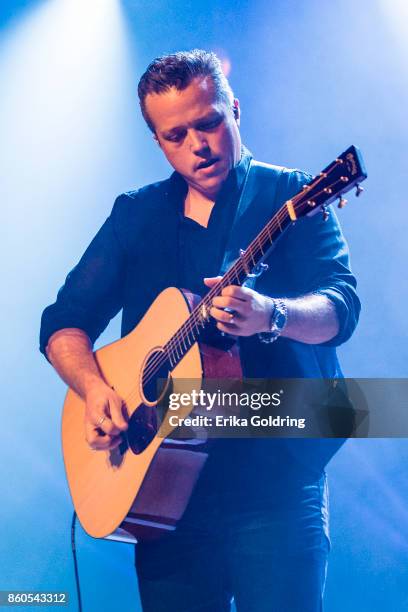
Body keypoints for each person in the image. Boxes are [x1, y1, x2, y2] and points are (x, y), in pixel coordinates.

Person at [40, 49, 360, 611]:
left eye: (209, 122)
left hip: (276, 489)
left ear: (234, 110)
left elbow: (341, 309)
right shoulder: (135, 216)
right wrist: (95, 391)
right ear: (158, 141)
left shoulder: (294, 197)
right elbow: (63, 324)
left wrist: (273, 315)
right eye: (175, 134)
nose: (198, 145)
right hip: (164, 497)